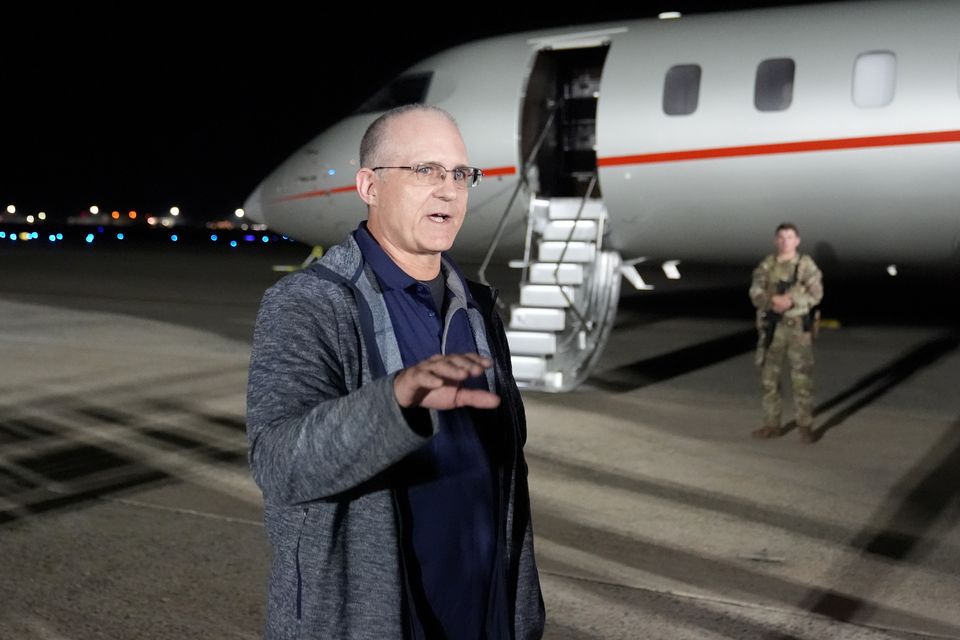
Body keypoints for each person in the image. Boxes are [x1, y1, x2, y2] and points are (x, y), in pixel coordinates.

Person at [246, 104, 545, 640]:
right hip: (377, 618)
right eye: (425, 170)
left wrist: (522, 612)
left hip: (484, 613)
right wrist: (395, 403)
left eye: (460, 174)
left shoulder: (476, 308)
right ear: (370, 186)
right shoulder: (309, 304)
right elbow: (279, 463)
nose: (449, 190)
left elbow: (505, 475)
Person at [748, 222, 824, 443]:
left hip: (798, 328)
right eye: (781, 237)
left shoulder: (805, 264)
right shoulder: (767, 265)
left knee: (802, 380)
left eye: (789, 237)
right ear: (775, 241)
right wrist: (772, 301)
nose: (785, 241)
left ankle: (805, 426)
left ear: (797, 241)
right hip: (772, 328)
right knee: (769, 379)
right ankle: (772, 425)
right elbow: (755, 291)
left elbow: (816, 293)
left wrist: (791, 300)